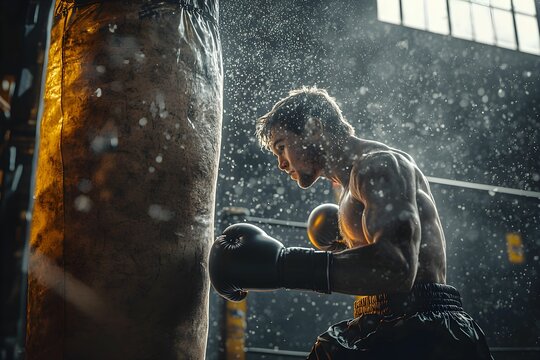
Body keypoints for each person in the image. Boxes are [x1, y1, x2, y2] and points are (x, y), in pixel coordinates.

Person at [209, 87, 493, 359]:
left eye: (282, 147)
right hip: (385, 320)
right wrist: (337, 248)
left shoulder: (378, 165)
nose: (281, 163)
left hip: (425, 326)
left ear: (314, 127)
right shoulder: (345, 189)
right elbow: (369, 267)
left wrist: (283, 267)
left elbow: (398, 268)